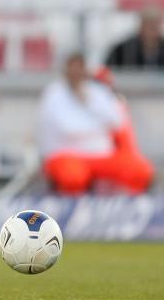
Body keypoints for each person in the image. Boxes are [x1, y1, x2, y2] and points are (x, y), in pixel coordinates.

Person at [39, 53, 154, 195]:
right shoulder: (54, 94)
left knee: (139, 170)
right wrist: (98, 126)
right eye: (72, 67)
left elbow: (117, 121)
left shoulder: (97, 92)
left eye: (80, 67)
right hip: (66, 155)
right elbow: (68, 129)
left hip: (101, 154)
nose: (76, 72)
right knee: (73, 177)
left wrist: (87, 101)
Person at [105, 7, 164, 71]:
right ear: (141, 25)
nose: (153, 30)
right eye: (149, 25)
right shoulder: (121, 50)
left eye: (156, 25)